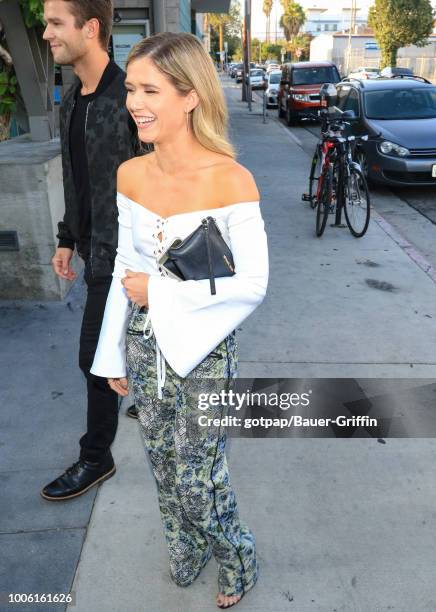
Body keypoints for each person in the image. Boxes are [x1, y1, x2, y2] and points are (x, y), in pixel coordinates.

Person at [91, 32, 269, 609]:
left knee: (201, 472)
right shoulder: (131, 175)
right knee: (162, 463)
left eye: (151, 90)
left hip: (207, 349)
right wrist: (113, 353)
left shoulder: (230, 179)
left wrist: (161, 293)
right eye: (132, 90)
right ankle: (185, 544)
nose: (135, 102)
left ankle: (237, 554)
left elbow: (252, 285)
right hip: (145, 346)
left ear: (190, 96)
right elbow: (124, 266)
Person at [40, 0, 140, 502]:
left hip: (129, 257)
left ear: (91, 27)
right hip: (94, 249)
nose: (46, 34)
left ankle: (96, 458)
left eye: (56, 23)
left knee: (95, 358)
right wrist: (65, 237)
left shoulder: (131, 97)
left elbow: (161, 180)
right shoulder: (72, 97)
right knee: (114, 354)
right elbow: (77, 178)